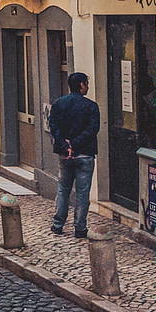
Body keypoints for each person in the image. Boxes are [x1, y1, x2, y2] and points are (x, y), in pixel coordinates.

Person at [48, 72, 100, 238]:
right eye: (86, 83)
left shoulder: (58, 104)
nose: (88, 87)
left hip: (65, 155)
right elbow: (92, 130)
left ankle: (58, 225)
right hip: (84, 154)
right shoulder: (91, 106)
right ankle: (79, 227)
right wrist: (75, 144)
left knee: (63, 189)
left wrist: (66, 145)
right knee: (82, 193)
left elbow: (53, 127)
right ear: (82, 85)